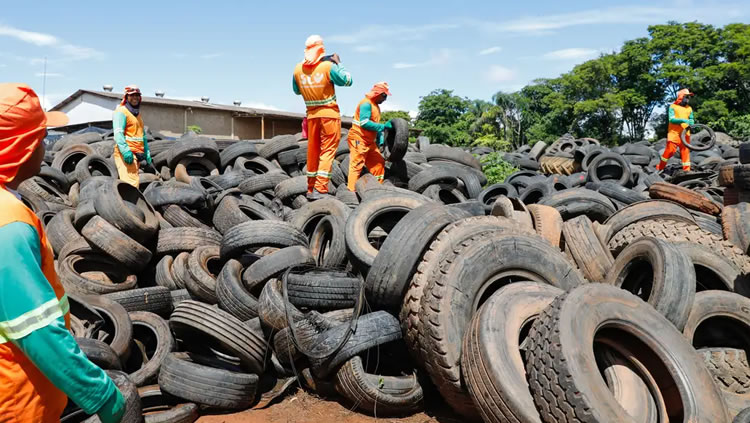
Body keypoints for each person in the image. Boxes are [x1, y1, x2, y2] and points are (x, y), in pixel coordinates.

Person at [0, 83, 125, 422]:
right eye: (40, 138)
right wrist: (99, 394)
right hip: (18, 403)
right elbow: (35, 329)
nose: (45, 146)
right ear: (21, 148)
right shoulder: (7, 224)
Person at [293, 35, 353, 200]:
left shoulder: (297, 69)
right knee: (327, 151)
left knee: (313, 152)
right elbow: (348, 81)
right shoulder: (328, 67)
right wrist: (338, 63)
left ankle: (311, 188)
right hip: (329, 115)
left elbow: (297, 91)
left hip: (311, 117)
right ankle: (320, 188)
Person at [347, 82, 393, 191]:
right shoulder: (366, 104)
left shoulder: (376, 106)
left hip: (369, 141)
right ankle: (351, 193)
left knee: (378, 163)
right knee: (357, 165)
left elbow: (373, 125)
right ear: (378, 94)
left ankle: (376, 189)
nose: (385, 99)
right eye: (385, 96)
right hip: (358, 138)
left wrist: (379, 138)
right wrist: (383, 127)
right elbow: (364, 123)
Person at [113, 85, 151, 188]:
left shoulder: (137, 115)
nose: (135, 97)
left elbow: (142, 135)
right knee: (131, 185)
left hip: (137, 154)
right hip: (127, 153)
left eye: (137, 95)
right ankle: (128, 204)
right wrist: (125, 151)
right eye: (132, 95)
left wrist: (146, 151)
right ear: (126, 97)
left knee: (133, 183)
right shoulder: (121, 112)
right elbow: (118, 133)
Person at [656, 88, 695, 172]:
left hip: (685, 134)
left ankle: (687, 171)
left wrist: (691, 122)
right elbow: (671, 119)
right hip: (674, 133)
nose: (688, 99)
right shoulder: (673, 107)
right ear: (681, 97)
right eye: (687, 97)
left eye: (689, 97)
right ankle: (660, 167)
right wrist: (683, 120)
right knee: (670, 151)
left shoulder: (689, 108)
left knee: (685, 152)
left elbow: (691, 119)